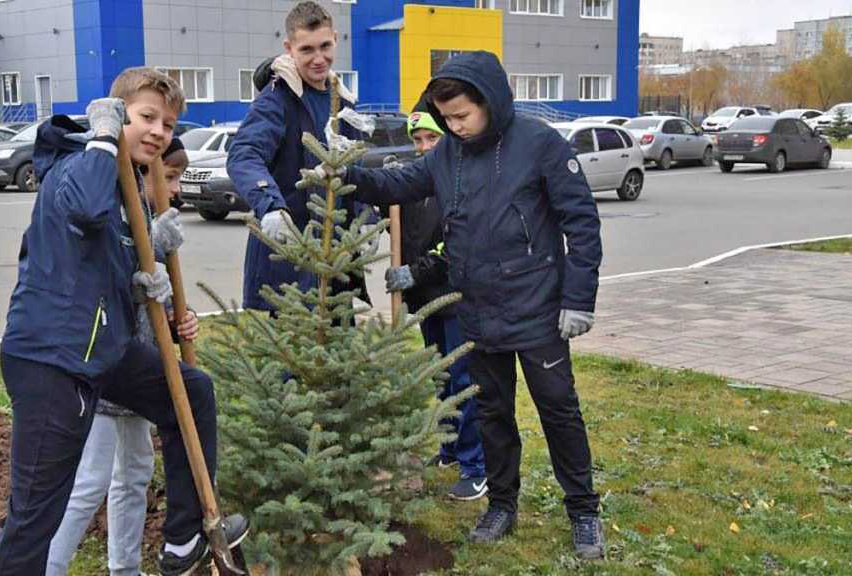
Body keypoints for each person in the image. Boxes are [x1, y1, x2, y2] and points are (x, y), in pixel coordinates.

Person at [331, 51, 605, 559]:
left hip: (538, 308)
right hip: (476, 308)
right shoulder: (447, 154)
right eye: (447, 119)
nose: (454, 128)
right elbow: (399, 183)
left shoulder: (540, 144)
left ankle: (584, 512)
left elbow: (581, 225)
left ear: (491, 102)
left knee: (559, 412)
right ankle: (501, 503)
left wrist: (578, 298)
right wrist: (350, 164)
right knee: (492, 411)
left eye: (461, 117)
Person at [0, 67, 246, 576]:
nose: (159, 132)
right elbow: (83, 210)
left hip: (101, 351)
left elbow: (107, 269)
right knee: (35, 517)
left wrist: (150, 287)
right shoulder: (78, 166)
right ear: (115, 113)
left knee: (190, 392)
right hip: (52, 360)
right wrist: (102, 137)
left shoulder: (129, 191)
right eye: (146, 117)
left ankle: (181, 541)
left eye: (169, 124)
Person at [45, 141, 195, 576]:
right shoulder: (114, 214)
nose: (177, 188)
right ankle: (48, 567)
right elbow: (108, 284)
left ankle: (125, 569)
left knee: (134, 475)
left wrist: (179, 320)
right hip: (106, 366)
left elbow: (157, 302)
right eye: (168, 177)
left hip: (143, 363)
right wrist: (149, 249)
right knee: (89, 480)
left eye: (178, 177)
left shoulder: (151, 220)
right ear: (137, 175)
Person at [228, 1, 371, 313]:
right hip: (289, 261)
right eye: (307, 50)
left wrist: (365, 218)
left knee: (340, 354)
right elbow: (243, 154)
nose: (319, 59)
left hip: (337, 262)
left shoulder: (342, 101)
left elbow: (355, 169)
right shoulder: (278, 98)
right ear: (288, 47)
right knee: (290, 359)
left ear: (336, 38)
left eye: (325, 46)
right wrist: (270, 206)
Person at [381, 105, 486, 501]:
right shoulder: (417, 183)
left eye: (432, 138)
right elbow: (399, 228)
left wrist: (416, 271)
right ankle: (450, 449)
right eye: (418, 140)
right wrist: (385, 186)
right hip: (427, 302)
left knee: (463, 380)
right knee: (440, 379)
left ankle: (478, 466)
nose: (424, 147)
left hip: (458, 298)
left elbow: (452, 246)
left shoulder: (460, 183)